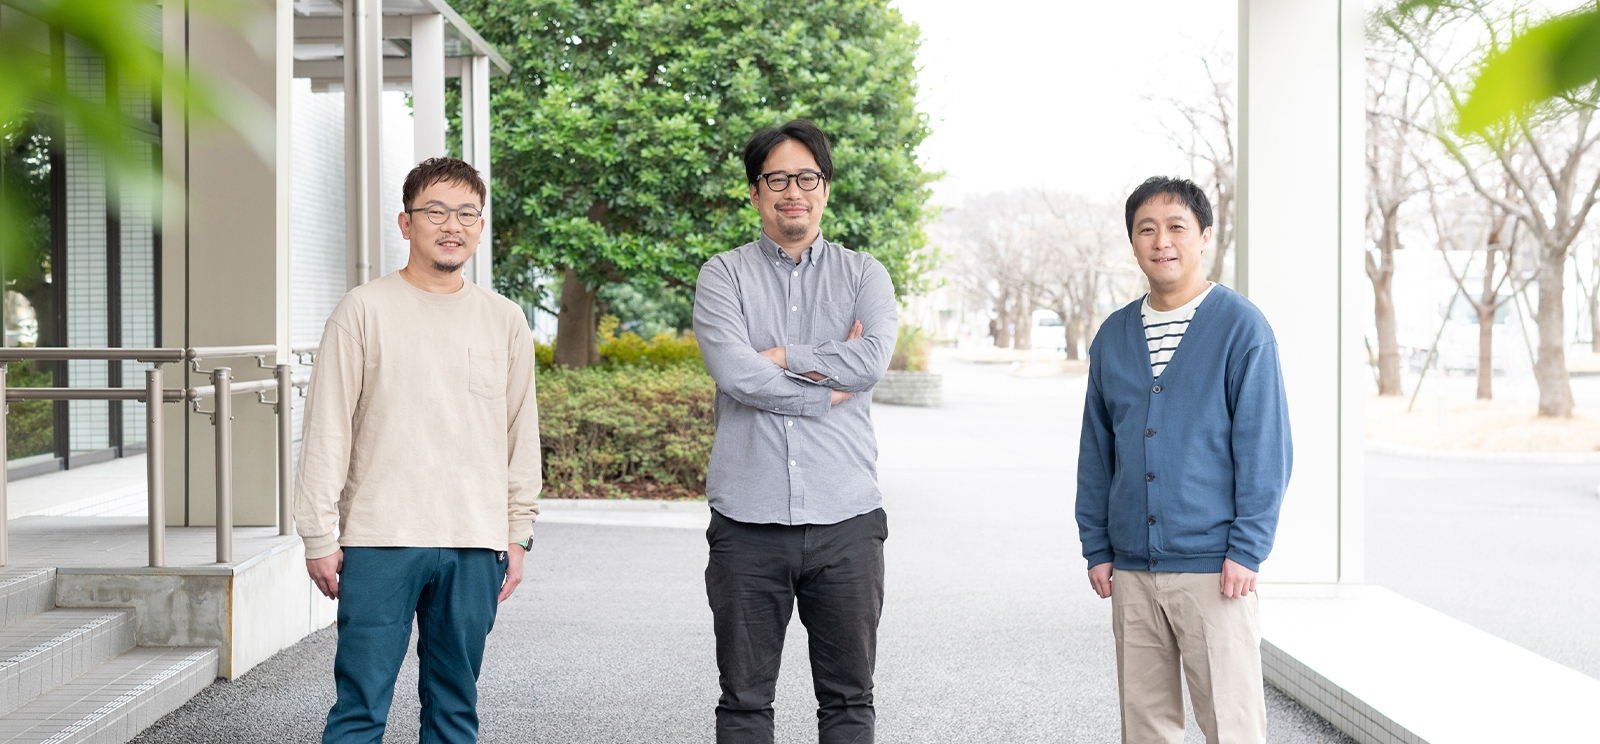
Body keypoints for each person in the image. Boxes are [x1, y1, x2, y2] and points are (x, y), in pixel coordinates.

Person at [295, 157, 541, 744]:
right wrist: (318, 535)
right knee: (360, 707)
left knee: (455, 709)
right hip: (379, 538)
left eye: (467, 214)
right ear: (406, 223)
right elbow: (328, 428)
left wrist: (518, 532)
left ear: (480, 227)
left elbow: (519, 435)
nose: (452, 225)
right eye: (435, 211)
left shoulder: (505, 320)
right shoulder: (363, 310)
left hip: (474, 540)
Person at [692, 119, 898, 744]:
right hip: (747, 523)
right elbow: (736, 373)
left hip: (847, 520)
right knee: (744, 703)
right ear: (755, 192)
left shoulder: (864, 275)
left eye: (807, 178)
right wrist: (826, 387)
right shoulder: (722, 275)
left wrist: (782, 356)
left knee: (849, 700)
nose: (793, 192)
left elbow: (871, 362)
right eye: (777, 179)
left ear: (825, 189)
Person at [1075, 176, 1292, 744]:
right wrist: (1097, 545)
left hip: (1215, 568)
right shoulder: (1113, 336)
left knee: (1232, 722)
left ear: (1205, 235)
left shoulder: (1242, 328)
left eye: (1176, 227)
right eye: (1146, 229)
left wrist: (1247, 549)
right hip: (1132, 566)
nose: (1162, 241)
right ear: (1133, 241)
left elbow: (1265, 448)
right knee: (1145, 724)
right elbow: (1097, 450)